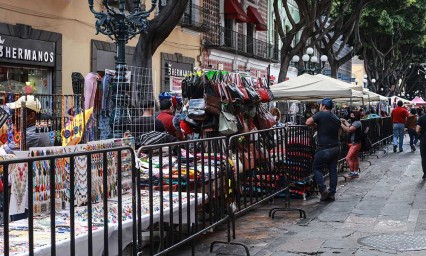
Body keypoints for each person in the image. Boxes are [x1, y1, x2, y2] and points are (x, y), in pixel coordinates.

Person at [306, 98, 341, 202]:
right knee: (333, 170)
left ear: (324, 106)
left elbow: (308, 122)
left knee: (316, 168)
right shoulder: (335, 117)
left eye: (320, 105)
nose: (319, 107)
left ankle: (323, 189)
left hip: (324, 148)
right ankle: (332, 193)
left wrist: (314, 124)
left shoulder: (321, 114)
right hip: (336, 147)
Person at [340, 111, 362, 178]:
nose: (351, 117)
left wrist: (340, 124)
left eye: (353, 115)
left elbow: (349, 129)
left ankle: (353, 172)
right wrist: (345, 121)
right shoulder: (356, 122)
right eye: (351, 115)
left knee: (348, 158)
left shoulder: (357, 123)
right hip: (355, 143)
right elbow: (350, 126)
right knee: (354, 158)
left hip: (355, 144)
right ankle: (355, 172)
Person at [416, 114, 426, 180]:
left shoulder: (422, 118)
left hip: (424, 138)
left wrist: (420, 136)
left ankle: (425, 173)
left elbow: (417, 130)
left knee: (424, 156)